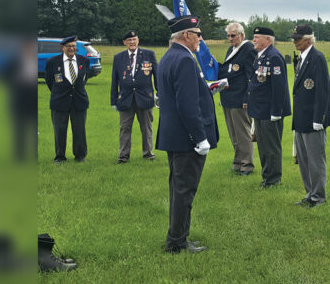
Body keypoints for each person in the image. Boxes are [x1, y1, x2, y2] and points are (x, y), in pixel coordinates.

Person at [155, 16, 218, 254]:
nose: (201, 39)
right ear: (186, 35)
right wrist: (199, 137)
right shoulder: (184, 60)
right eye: (198, 34)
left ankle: (178, 237)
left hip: (174, 135)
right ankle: (177, 242)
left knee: (179, 188)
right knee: (184, 191)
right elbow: (187, 104)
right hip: (186, 139)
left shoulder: (170, 56)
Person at [289, 25, 330, 207]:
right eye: (294, 38)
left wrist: (319, 118)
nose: (294, 41)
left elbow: (323, 90)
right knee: (303, 159)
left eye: (298, 39)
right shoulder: (302, 58)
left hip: (313, 118)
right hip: (301, 117)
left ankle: (318, 196)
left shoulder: (317, 58)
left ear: (308, 39)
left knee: (315, 160)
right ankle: (309, 194)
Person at [244, 27, 291, 188]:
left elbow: (279, 87)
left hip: (270, 111)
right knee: (263, 146)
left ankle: (273, 180)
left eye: (257, 37)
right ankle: (267, 177)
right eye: (254, 37)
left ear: (268, 39)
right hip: (259, 110)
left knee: (271, 147)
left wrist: (276, 111)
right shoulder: (261, 57)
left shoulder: (274, 57)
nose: (254, 40)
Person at [110, 30, 158, 164]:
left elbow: (157, 76)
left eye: (134, 39)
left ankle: (148, 154)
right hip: (125, 99)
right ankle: (123, 156)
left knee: (147, 128)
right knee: (125, 129)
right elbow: (115, 80)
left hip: (145, 98)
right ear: (125, 42)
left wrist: (160, 94)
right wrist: (114, 100)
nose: (132, 42)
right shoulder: (118, 57)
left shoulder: (149, 54)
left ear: (138, 41)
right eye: (129, 40)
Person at [218, 22, 257, 176]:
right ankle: (238, 161)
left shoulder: (248, 49)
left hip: (240, 98)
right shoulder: (231, 49)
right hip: (228, 97)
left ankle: (247, 165)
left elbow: (251, 77)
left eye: (233, 35)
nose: (230, 38)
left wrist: (247, 98)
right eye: (228, 36)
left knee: (243, 134)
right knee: (234, 134)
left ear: (242, 35)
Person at [44, 36, 90, 163]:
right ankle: (60, 157)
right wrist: (60, 92)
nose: (71, 48)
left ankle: (80, 156)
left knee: (79, 130)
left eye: (74, 46)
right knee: (60, 130)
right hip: (59, 101)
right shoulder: (52, 62)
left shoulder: (84, 61)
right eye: (68, 46)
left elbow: (84, 79)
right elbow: (49, 81)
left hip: (79, 101)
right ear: (63, 47)